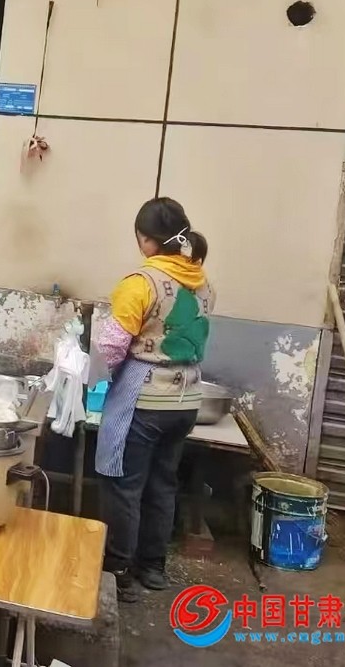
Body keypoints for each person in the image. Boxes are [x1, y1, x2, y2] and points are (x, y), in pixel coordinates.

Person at [94, 198, 214, 603]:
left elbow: (112, 346)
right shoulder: (202, 282)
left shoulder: (140, 283)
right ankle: (153, 568)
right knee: (163, 484)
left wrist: (104, 373)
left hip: (145, 400)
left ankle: (119, 572)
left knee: (124, 485)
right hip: (187, 400)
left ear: (146, 240)